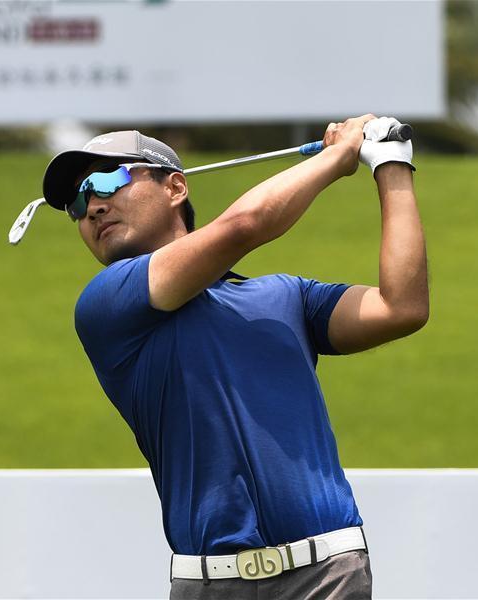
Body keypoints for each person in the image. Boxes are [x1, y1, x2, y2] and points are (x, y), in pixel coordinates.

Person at [38, 115, 428, 599]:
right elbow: (245, 225)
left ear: (175, 187)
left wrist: (391, 163)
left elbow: (401, 307)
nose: (93, 207)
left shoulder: (287, 296)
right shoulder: (107, 302)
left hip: (327, 574)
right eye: (76, 204)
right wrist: (338, 156)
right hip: (208, 582)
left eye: (107, 181)